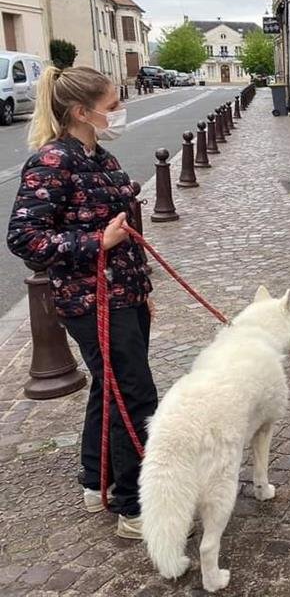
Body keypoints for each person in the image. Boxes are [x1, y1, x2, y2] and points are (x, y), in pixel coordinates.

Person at [7, 66, 155, 539]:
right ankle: (134, 507)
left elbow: (125, 233)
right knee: (134, 395)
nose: (119, 112)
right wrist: (96, 241)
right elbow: (25, 237)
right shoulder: (52, 162)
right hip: (89, 301)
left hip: (123, 293)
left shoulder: (103, 159)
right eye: (112, 105)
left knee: (108, 388)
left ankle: (96, 480)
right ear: (81, 111)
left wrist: (142, 291)